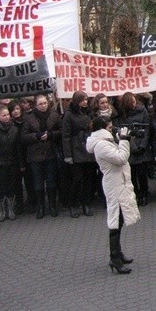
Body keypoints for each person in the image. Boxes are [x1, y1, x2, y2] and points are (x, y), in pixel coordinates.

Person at [86, 116, 141, 274]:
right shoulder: (101, 145)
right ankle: (114, 258)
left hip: (118, 182)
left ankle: (118, 254)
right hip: (114, 184)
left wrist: (122, 138)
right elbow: (121, 158)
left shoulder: (106, 141)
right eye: (110, 127)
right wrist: (124, 140)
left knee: (120, 218)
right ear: (102, 129)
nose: (112, 129)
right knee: (115, 219)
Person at [21, 94, 62, 219]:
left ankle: (52, 206)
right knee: (38, 182)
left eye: (45, 103)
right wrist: (36, 136)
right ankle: (40, 207)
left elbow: (61, 131)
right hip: (35, 155)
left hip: (50, 153)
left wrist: (50, 135)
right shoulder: (29, 118)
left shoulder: (55, 115)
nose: (43, 106)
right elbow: (23, 137)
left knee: (51, 180)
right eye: (40, 104)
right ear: (36, 105)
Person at [114, 92, 152, 206]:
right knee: (132, 174)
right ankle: (136, 194)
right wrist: (133, 146)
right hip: (130, 147)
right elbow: (122, 132)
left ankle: (144, 194)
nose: (134, 104)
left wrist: (142, 145)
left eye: (134, 101)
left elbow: (147, 129)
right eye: (131, 102)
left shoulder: (142, 110)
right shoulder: (121, 116)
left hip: (142, 146)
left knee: (142, 173)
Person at [62, 90, 96, 218]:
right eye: (83, 100)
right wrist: (68, 155)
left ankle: (85, 204)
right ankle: (73, 204)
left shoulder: (88, 112)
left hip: (87, 147)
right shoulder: (69, 115)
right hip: (76, 149)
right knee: (77, 180)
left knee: (88, 179)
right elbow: (65, 136)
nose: (85, 102)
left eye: (86, 99)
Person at [0, 104, 21, 220]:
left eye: (7, 115)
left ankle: (10, 209)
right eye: (3, 115)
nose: (6, 117)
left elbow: (18, 148)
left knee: (11, 187)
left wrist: (20, 164)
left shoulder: (14, 129)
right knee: (0, 188)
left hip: (12, 162)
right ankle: (1, 211)